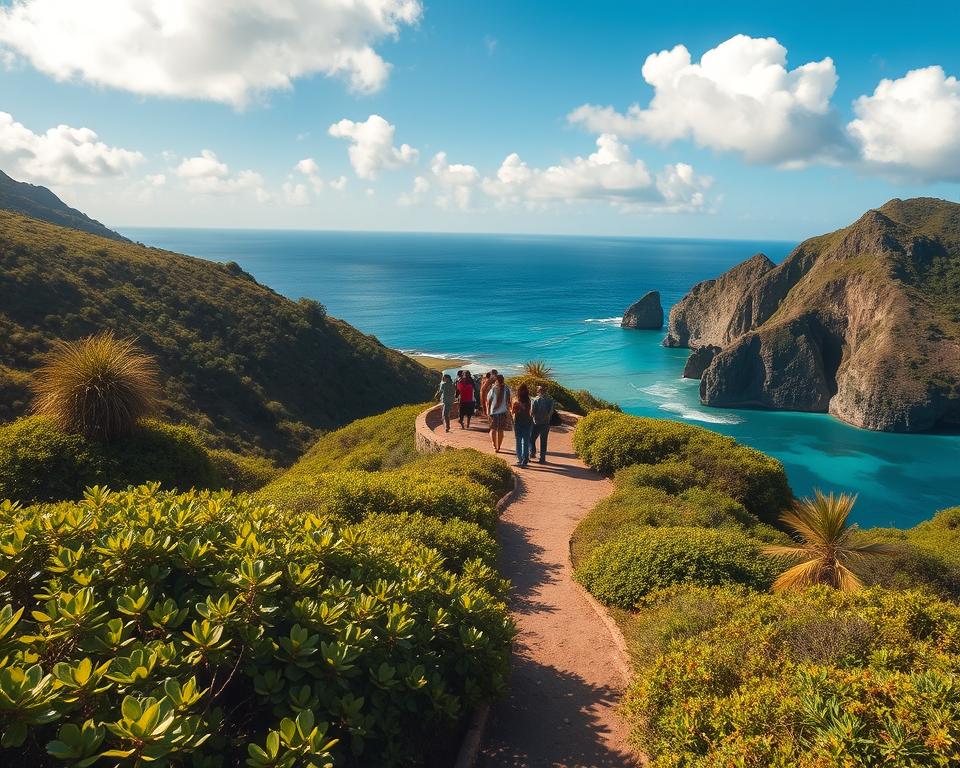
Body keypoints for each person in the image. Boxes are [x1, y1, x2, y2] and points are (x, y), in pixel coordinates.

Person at [530, 384, 555, 463]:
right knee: (543, 441)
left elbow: (532, 412)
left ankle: (532, 452)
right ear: (545, 391)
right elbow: (551, 412)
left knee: (531, 439)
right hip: (546, 423)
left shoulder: (534, 400)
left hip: (536, 423)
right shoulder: (550, 400)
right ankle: (542, 458)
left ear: (538, 392)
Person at [487, 374, 511, 453]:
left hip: (494, 412)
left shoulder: (494, 389)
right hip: (502, 412)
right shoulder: (506, 389)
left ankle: (495, 445)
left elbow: (489, 401)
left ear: (496, 380)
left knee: (493, 429)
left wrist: (488, 411)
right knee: (500, 430)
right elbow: (508, 401)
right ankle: (498, 447)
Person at [511, 383, 533, 467]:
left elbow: (513, 412)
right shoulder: (528, 400)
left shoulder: (519, 400)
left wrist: (518, 407)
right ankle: (523, 459)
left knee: (520, 441)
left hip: (520, 423)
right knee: (524, 442)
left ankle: (521, 459)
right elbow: (530, 412)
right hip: (525, 422)